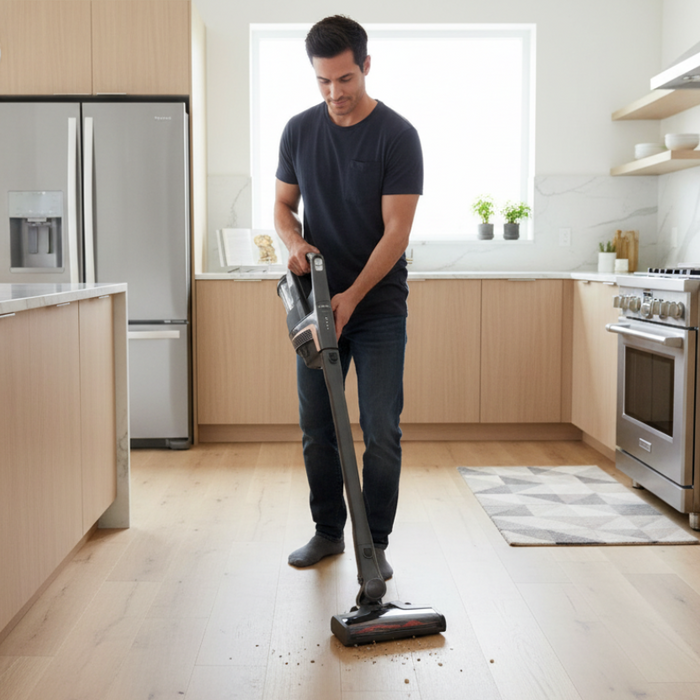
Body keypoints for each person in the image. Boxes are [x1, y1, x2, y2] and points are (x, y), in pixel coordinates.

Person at [274, 15, 423, 579]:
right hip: (317, 304)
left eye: (344, 79)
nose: (335, 93)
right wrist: (292, 239)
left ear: (366, 65)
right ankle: (329, 532)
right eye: (323, 81)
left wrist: (353, 295)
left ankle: (374, 544)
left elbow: (397, 232)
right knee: (318, 428)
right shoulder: (298, 131)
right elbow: (283, 207)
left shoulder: (397, 135)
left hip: (377, 305)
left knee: (381, 429)